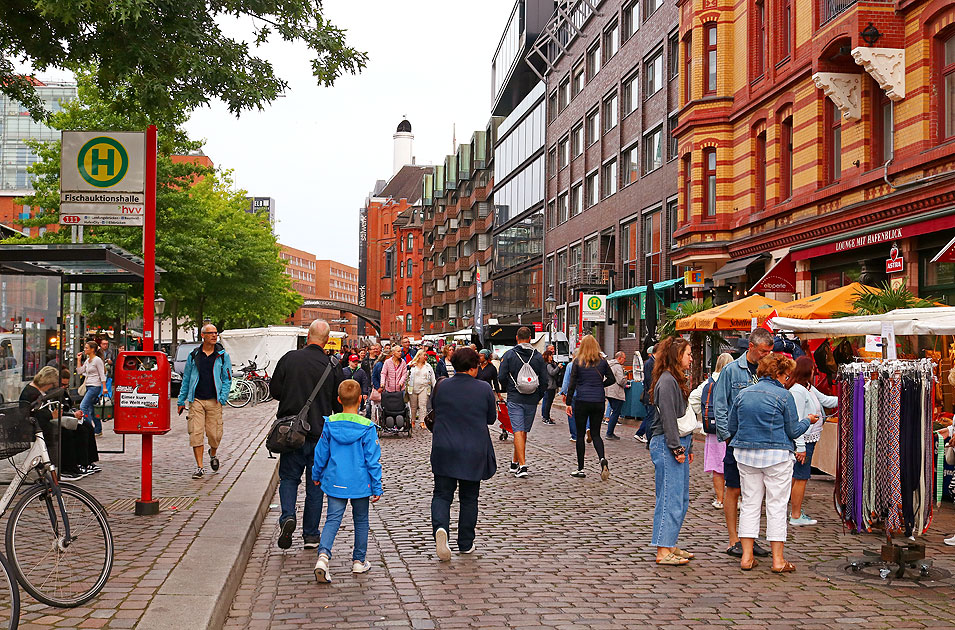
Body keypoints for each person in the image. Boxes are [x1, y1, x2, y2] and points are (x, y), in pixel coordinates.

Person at [728, 353, 820, 572]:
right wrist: (807, 420)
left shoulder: (743, 394)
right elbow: (793, 430)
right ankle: (778, 560)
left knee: (750, 504)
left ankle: (747, 557)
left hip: (746, 454)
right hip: (777, 456)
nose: (787, 379)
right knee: (776, 505)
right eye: (787, 375)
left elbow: (732, 427)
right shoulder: (783, 396)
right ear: (778, 373)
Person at [270, 319, 345, 550]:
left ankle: (287, 517)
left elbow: (275, 391)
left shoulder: (289, 359)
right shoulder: (333, 365)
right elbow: (338, 404)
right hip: (320, 435)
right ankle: (311, 535)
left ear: (308, 336)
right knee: (315, 485)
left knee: (289, 478)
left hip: (291, 433)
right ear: (326, 340)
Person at [311, 379, 382, 582]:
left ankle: (323, 556)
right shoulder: (367, 427)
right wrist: (377, 485)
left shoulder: (330, 424)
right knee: (361, 520)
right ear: (361, 399)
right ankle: (359, 561)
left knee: (332, 518)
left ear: (339, 399)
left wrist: (316, 474)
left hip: (335, 480)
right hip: (360, 482)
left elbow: (321, 453)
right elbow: (373, 460)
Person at [429, 347, 496, 560]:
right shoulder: (483, 388)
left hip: (444, 446)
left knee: (441, 494)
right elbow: (491, 418)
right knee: (469, 498)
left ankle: (441, 529)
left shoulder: (441, 386)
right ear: (474, 367)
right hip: (472, 449)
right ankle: (466, 542)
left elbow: (434, 409)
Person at [713, 327, 775, 558]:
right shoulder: (731, 371)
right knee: (734, 488)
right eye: (762, 351)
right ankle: (733, 540)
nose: (766, 355)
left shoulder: (768, 370)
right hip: (737, 439)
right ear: (751, 347)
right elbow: (720, 405)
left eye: (769, 351)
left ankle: (750, 538)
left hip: (761, 441)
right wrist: (728, 436)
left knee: (755, 492)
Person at [648, 337, 694, 565]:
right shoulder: (667, 381)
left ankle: (670, 543)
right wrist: (676, 448)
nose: (691, 358)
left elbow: (683, 415)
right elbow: (668, 418)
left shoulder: (674, 380)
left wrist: (688, 445)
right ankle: (662, 550)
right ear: (677, 356)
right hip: (667, 444)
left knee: (680, 498)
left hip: (676, 443)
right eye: (688, 354)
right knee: (669, 497)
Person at [786, 356, 837, 526]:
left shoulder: (808, 388)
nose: (816, 370)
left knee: (798, 476)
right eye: (813, 368)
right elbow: (798, 421)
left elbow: (826, 401)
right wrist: (800, 447)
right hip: (804, 441)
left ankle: (795, 510)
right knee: (801, 476)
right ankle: (795, 515)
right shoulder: (798, 391)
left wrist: (851, 396)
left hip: (809, 439)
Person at [177, 324, 232, 479]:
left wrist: (222, 397)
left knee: (214, 435)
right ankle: (200, 467)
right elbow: (186, 379)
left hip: (214, 400)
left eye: (216, 333)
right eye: (211, 333)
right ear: (203, 335)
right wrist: (181, 400)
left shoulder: (222, 355)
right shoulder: (194, 355)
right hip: (197, 400)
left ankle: (213, 453)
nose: (214, 336)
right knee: (196, 433)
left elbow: (227, 378)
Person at [497, 327, 547, 479]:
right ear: (530, 338)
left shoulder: (510, 355)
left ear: (517, 338)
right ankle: (514, 462)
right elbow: (544, 380)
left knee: (518, 430)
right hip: (532, 398)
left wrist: (509, 389)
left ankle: (523, 465)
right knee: (522, 430)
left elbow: (501, 376)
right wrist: (538, 395)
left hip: (515, 397)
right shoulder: (538, 357)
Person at [565, 335, 615, 480]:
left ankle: (580, 468)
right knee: (596, 434)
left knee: (580, 435)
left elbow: (572, 384)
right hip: (598, 401)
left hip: (582, 400)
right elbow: (612, 379)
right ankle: (602, 459)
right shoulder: (603, 362)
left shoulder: (577, 362)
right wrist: (600, 386)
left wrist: (568, 403)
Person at [690, 352, 734, 509]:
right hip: (732, 429)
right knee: (735, 465)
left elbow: (693, 398)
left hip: (714, 430)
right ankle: (735, 499)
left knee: (717, 466)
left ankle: (720, 499)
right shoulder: (734, 381)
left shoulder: (708, 383)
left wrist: (704, 414)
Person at [56, 369, 100, 479]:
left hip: (67, 417)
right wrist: (72, 414)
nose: (64, 387)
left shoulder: (63, 392)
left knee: (88, 426)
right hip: (61, 420)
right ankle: (79, 463)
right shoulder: (55, 392)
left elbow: (68, 406)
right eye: (62, 384)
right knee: (80, 430)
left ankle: (88, 461)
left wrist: (74, 413)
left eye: (66, 385)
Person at [76, 340, 107, 436]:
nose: (84, 349)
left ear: (92, 349)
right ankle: (98, 429)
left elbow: (102, 374)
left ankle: (88, 428)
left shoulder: (97, 360)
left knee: (83, 406)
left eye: (86, 348)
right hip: (88, 385)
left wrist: (104, 387)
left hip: (95, 386)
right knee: (91, 409)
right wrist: (78, 360)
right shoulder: (88, 360)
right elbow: (80, 371)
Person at [408, 350, 436, 429]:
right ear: (419, 356)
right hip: (413, 387)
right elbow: (405, 372)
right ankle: (412, 420)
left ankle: (422, 421)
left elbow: (432, 377)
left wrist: (436, 387)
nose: (426, 357)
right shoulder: (412, 364)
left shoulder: (428, 366)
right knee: (413, 406)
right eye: (424, 355)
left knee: (422, 405)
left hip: (424, 387)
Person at [604, 351, 629, 440]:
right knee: (616, 412)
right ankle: (609, 433)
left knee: (613, 410)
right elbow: (620, 381)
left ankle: (610, 432)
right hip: (616, 392)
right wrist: (625, 379)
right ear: (619, 358)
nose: (625, 360)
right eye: (624, 358)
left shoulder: (609, 364)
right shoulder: (618, 367)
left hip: (608, 391)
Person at [634, 345, 655, 443]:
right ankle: (647, 437)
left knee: (649, 416)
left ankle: (640, 433)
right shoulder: (650, 363)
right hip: (650, 395)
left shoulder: (648, 363)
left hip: (648, 394)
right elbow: (649, 380)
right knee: (650, 417)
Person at [540, 350, 561, 424]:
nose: (552, 357)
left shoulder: (549, 364)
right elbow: (552, 372)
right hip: (550, 386)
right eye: (550, 355)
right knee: (548, 402)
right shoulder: (548, 365)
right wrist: (558, 367)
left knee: (548, 402)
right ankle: (546, 418)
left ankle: (546, 417)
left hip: (549, 386)